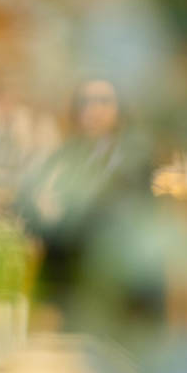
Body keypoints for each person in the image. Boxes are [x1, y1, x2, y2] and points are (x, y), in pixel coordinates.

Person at [19, 77, 164, 343]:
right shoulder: (66, 154)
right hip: (71, 270)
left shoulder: (134, 156)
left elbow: (117, 217)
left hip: (114, 274)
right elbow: (36, 200)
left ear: (119, 109)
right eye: (86, 103)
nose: (94, 110)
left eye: (103, 102)